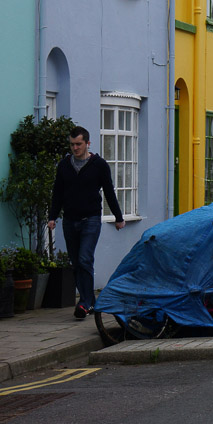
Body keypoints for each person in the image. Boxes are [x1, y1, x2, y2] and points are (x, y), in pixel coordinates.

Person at [47, 126, 125, 320]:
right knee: (76, 263)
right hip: (69, 220)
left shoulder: (99, 165)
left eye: (79, 144)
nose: (75, 148)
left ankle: (85, 302)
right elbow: (58, 192)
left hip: (90, 219)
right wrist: (52, 216)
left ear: (87, 144)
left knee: (84, 259)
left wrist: (118, 217)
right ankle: (88, 300)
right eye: (72, 144)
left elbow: (109, 191)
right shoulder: (64, 165)